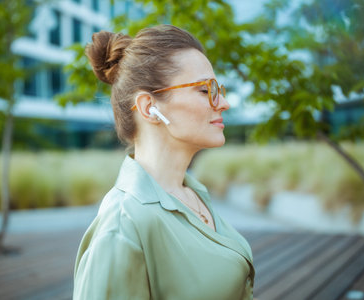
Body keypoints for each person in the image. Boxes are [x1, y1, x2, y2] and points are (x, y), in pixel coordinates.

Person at [73, 24, 255, 300]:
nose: (224, 102)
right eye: (206, 90)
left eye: (218, 88)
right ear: (149, 108)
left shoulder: (193, 192)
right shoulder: (123, 226)